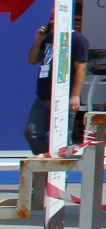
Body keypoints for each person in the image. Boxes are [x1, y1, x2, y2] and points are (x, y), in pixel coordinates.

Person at [24, 14, 89, 156]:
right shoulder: (49, 38)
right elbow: (32, 60)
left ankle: (61, 175)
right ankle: (48, 166)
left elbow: (80, 68)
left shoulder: (77, 40)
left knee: (62, 140)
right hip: (43, 96)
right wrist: (38, 40)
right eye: (51, 18)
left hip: (62, 97)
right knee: (32, 132)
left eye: (55, 18)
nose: (51, 22)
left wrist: (75, 96)